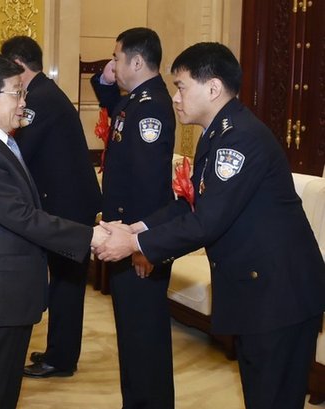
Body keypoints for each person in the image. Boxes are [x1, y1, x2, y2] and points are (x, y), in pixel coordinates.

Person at [96, 42, 325, 409]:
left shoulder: (239, 139)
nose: (175, 97)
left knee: (272, 398)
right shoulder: (217, 133)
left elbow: (207, 221)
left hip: (279, 295)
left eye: (181, 86)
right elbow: (192, 203)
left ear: (213, 88)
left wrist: (136, 245)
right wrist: (139, 228)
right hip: (260, 290)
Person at [0, 51, 107, 409]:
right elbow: (21, 216)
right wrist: (89, 235)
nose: (24, 102)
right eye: (16, 92)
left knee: (2, 395)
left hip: (7, 297)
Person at [0, 36, 102, 378]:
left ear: (18, 65)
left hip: (69, 208)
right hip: (66, 204)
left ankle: (60, 359)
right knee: (62, 283)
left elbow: (19, 150)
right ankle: (59, 351)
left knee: (66, 286)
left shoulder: (40, 98)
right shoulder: (44, 92)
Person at [90, 28, 176, 409]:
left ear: (137, 61)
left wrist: (144, 245)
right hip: (127, 236)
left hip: (137, 243)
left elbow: (149, 184)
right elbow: (114, 110)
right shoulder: (137, 100)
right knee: (133, 335)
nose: (113, 64)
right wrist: (106, 80)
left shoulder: (151, 107)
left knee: (144, 338)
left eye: (116, 57)